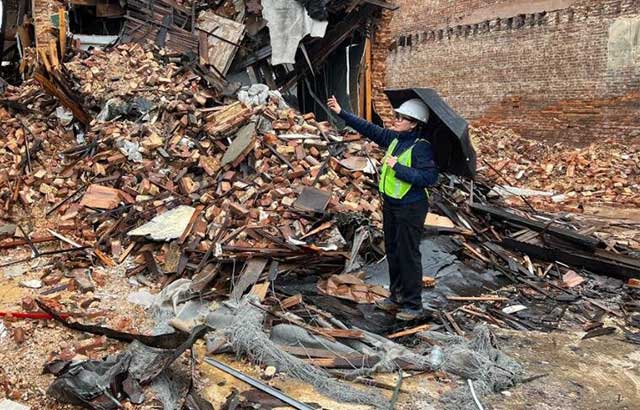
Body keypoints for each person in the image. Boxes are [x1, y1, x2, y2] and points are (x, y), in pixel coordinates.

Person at [327, 95, 438, 321]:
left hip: (411, 207)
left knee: (408, 254)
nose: (396, 119)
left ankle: (413, 305)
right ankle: (396, 297)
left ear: (414, 124)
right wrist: (341, 112)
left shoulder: (421, 147)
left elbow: (429, 178)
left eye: (401, 118)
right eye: (396, 115)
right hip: (392, 205)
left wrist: (398, 168)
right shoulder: (395, 139)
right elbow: (370, 129)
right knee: (393, 252)